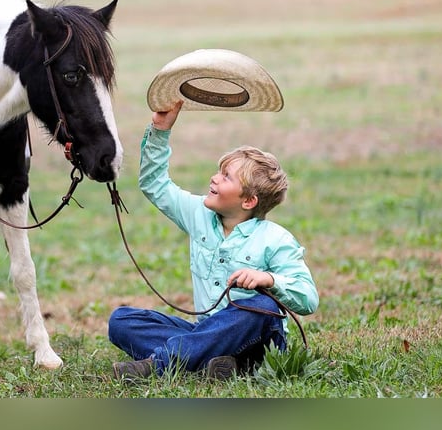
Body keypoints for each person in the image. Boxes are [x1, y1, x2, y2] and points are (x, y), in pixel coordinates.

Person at [108, 100, 318, 380]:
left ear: (249, 200)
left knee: (262, 307)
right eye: (219, 171)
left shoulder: (275, 239)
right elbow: (155, 184)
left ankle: (162, 364)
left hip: (258, 342)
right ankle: (221, 363)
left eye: (226, 177)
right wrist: (160, 130)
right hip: (206, 331)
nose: (214, 178)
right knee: (122, 321)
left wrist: (268, 279)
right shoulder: (198, 214)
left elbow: (308, 298)